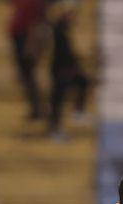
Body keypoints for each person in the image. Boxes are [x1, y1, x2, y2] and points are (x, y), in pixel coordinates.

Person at [47, 2, 90, 138]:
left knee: (83, 83)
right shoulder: (58, 29)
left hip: (64, 68)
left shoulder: (62, 28)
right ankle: (54, 130)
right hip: (62, 69)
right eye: (71, 14)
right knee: (57, 101)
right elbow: (63, 52)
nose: (74, 17)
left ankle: (77, 113)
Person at [9, 0, 46, 120]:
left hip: (25, 37)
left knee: (28, 76)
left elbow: (36, 21)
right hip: (21, 36)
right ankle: (36, 109)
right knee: (26, 77)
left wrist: (31, 44)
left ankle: (37, 110)